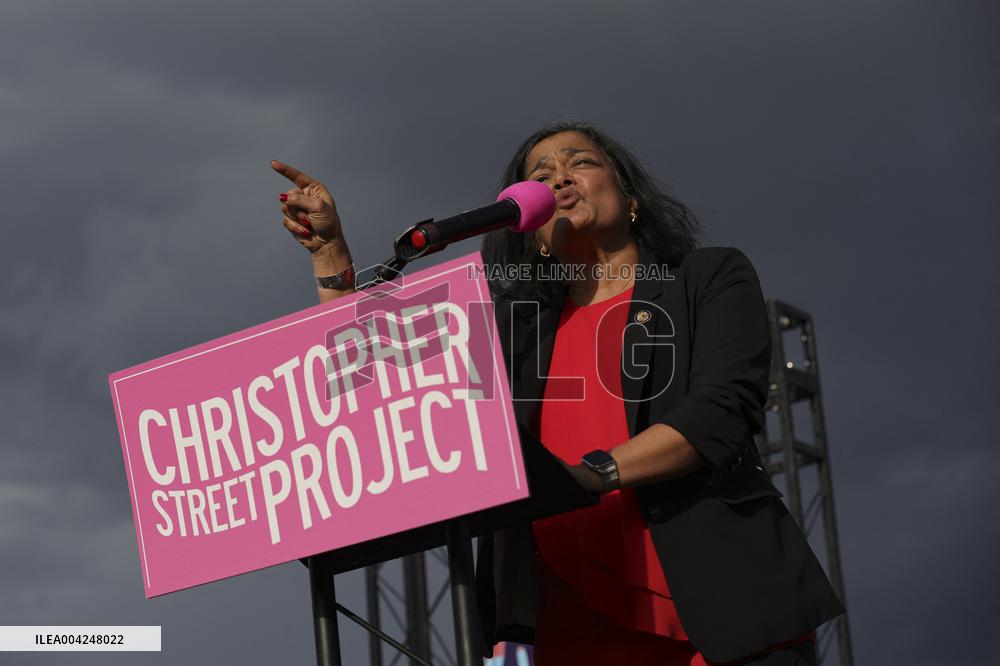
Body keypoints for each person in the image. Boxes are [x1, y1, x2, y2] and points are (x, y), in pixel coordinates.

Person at [271, 120, 845, 665]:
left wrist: (588, 477)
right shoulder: (513, 327)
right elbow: (373, 386)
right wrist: (329, 254)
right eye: (540, 177)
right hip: (566, 623)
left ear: (632, 200)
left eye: (580, 163)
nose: (559, 179)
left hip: (722, 610)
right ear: (532, 229)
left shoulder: (705, 278)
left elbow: (717, 415)